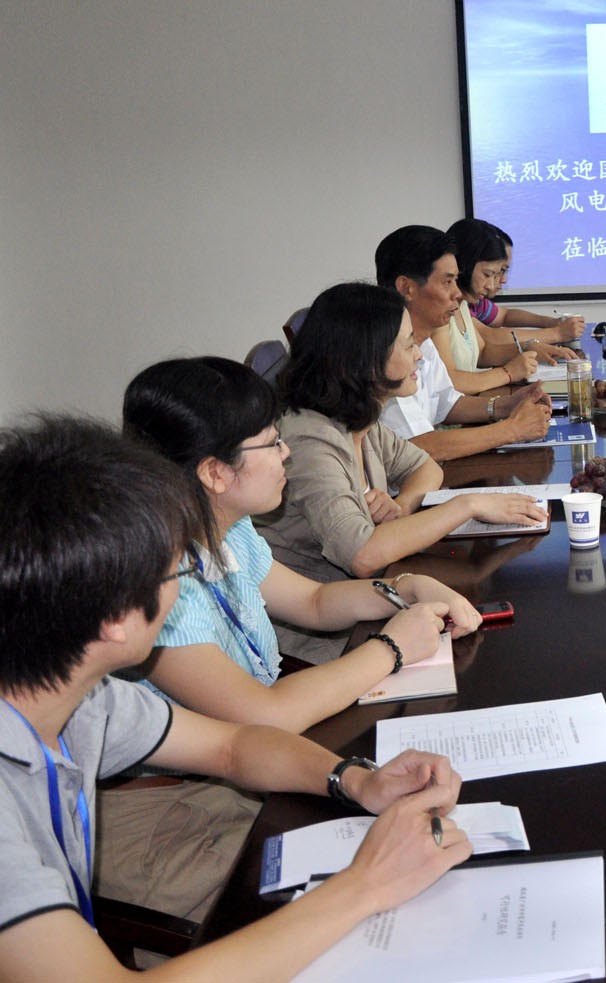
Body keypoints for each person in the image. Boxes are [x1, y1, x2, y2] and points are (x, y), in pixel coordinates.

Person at [0, 415, 470, 980]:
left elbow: (232, 747)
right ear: (115, 622)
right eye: (177, 571)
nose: (186, 584)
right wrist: (365, 885)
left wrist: (354, 779)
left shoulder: (79, 696)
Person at [122, 356, 480, 730]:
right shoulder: (156, 586)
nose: (286, 452)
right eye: (272, 443)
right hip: (223, 759)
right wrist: (392, 648)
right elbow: (267, 715)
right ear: (215, 472)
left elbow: (314, 602)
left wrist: (406, 586)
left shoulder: (229, 529)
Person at [261, 282, 547, 662]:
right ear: (366, 359)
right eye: (409, 344)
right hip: (322, 642)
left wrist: (404, 505)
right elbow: (363, 555)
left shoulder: (359, 418)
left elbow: (423, 466)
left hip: (371, 602)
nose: (420, 356)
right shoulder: (311, 438)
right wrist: (468, 505)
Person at [375, 225, 552, 461]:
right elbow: (419, 447)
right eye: (447, 282)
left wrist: (506, 405)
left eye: (456, 281)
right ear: (406, 287)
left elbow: (447, 404)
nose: (458, 293)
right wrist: (512, 429)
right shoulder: (386, 352)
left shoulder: (423, 341)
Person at [444, 218, 584, 368]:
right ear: (463, 265)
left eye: (500, 272)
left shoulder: (464, 304)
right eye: (489, 274)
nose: (495, 283)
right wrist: (556, 334)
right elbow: (489, 338)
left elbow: (499, 324)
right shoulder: (444, 307)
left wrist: (537, 339)